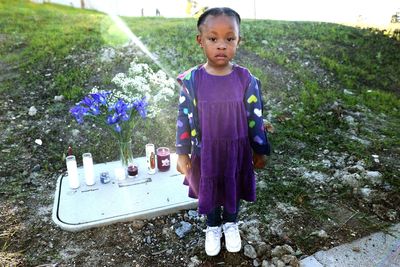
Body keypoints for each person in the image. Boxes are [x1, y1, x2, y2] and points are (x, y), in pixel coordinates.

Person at [175, 7, 271, 256]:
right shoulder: (193, 80)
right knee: (208, 185)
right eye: (213, 38)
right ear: (200, 41)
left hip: (237, 148)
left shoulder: (245, 79)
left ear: (239, 41)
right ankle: (212, 225)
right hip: (206, 149)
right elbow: (183, 119)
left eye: (229, 38)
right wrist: (182, 153)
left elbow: (255, 117)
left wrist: (260, 148)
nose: (221, 45)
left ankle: (230, 222)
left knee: (233, 184)